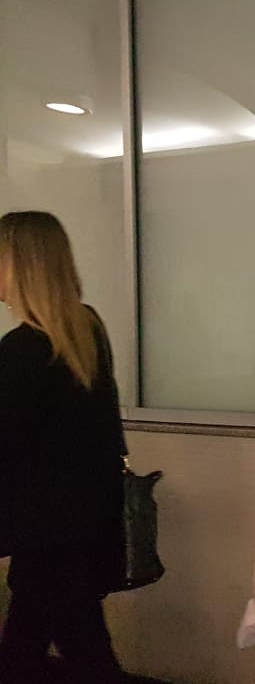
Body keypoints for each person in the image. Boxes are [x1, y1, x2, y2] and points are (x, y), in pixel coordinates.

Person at [0, 212, 127, 682]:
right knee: (26, 647)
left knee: (86, 655)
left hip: (44, 532)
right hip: (83, 523)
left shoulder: (24, 349)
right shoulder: (86, 329)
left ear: (21, 265)